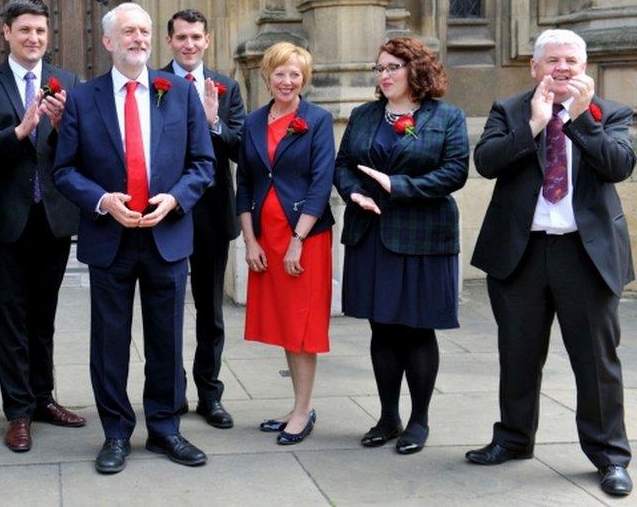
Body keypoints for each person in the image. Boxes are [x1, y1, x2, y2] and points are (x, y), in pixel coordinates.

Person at [467, 29, 635, 497]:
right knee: (517, 355)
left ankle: (609, 457)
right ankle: (514, 439)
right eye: (553, 60)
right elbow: (486, 162)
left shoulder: (611, 112)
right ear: (535, 68)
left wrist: (581, 121)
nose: (563, 67)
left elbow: (619, 165)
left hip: (586, 255)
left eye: (572, 60)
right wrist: (535, 125)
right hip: (521, 253)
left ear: (585, 67)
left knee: (596, 362)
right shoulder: (510, 110)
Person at [52, 2, 215, 474]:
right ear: (108, 42)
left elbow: (203, 164)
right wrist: (104, 200)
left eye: (144, 30)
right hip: (111, 238)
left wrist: (176, 200)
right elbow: (65, 170)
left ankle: (165, 429)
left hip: (166, 235)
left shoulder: (179, 94)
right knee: (110, 342)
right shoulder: (85, 98)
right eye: (128, 31)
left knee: (166, 339)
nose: (139, 38)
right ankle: (117, 433)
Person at [333, 38, 469, 455]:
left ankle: (419, 420)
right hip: (372, 232)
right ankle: (388, 416)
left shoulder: (446, 117)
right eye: (380, 68)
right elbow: (343, 165)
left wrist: (398, 185)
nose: (385, 75)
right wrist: (355, 193)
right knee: (382, 327)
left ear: (416, 70)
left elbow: (455, 172)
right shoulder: (364, 115)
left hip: (423, 236)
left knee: (416, 328)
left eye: (393, 67)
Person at [0, 0, 85, 453]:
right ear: (7, 34)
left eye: (40, 31)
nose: (33, 38)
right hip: (4, 222)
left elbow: (83, 149)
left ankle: (43, 398)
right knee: (10, 318)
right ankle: (17, 412)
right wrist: (17, 132)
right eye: (25, 30)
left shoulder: (68, 82)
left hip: (52, 218)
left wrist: (67, 122)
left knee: (44, 319)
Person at [236, 41, 335, 446]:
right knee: (284, 325)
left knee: (302, 326)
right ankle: (297, 405)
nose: (288, 81)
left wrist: (298, 239)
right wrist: (249, 240)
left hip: (304, 238)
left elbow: (321, 182)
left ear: (304, 79)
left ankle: (302, 411)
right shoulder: (254, 122)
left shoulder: (318, 119)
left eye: (295, 74)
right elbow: (244, 183)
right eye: (280, 73)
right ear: (267, 76)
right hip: (266, 238)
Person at [162, 9, 246, 429]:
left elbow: (240, 148)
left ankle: (209, 394)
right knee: (168, 309)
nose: (189, 44)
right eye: (181, 37)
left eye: (196, 36)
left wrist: (214, 123)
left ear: (207, 40)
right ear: (170, 41)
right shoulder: (153, 84)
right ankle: (171, 393)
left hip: (212, 215)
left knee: (210, 311)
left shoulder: (226, 87)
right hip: (169, 213)